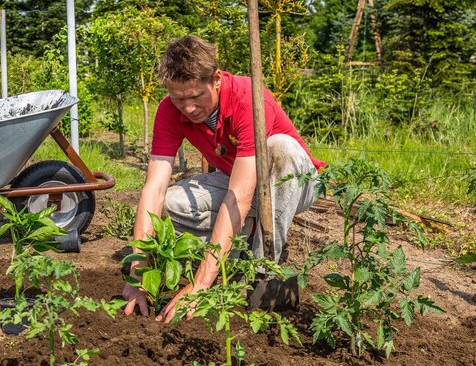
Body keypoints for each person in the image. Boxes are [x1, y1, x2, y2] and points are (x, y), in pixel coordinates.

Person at [122, 35, 326, 322]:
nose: (189, 108)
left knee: (281, 148)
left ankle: (265, 264)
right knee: (171, 203)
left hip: (294, 183)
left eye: (196, 96)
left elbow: (238, 197)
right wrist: (137, 276)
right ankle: (245, 238)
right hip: (238, 180)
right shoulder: (168, 111)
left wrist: (201, 282)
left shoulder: (248, 100)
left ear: (216, 79)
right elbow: (153, 189)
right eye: (180, 99)